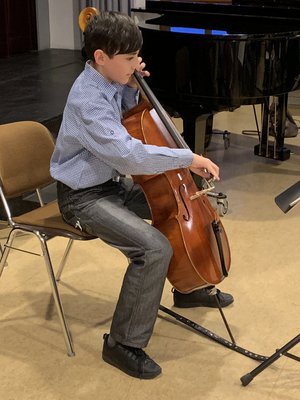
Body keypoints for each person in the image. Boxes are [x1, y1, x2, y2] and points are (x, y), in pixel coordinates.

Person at [50, 11, 233, 380]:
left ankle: (187, 283)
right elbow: (129, 152)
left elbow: (127, 120)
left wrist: (132, 87)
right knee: (153, 247)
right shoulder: (87, 98)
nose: (137, 63)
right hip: (82, 196)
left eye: (137, 56)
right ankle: (122, 344)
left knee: (184, 201)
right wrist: (188, 156)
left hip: (113, 184)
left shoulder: (111, 79)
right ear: (101, 57)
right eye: (129, 58)